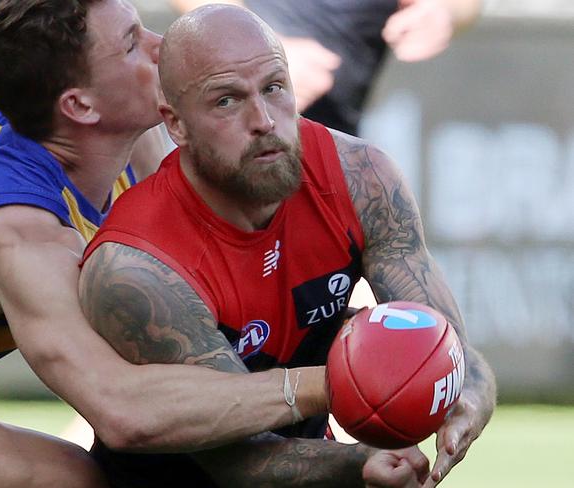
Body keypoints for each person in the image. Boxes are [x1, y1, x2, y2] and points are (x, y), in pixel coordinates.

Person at [0, 0, 390, 486]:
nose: (160, 46)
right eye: (131, 43)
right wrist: (336, 382)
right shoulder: (19, 237)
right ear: (81, 105)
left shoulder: (115, 140)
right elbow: (122, 409)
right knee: (68, 479)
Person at [79, 4, 496, 488]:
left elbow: (447, 345)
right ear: (176, 125)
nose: (264, 120)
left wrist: (462, 397)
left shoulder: (361, 178)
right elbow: (236, 460)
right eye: (226, 101)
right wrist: (360, 464)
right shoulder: (137, 267)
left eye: (274, 88)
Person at [171, 0, 482, 135]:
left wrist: (443, 13)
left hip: (332, 144)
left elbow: (462, 6)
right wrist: (264, 52)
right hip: (228, 139)